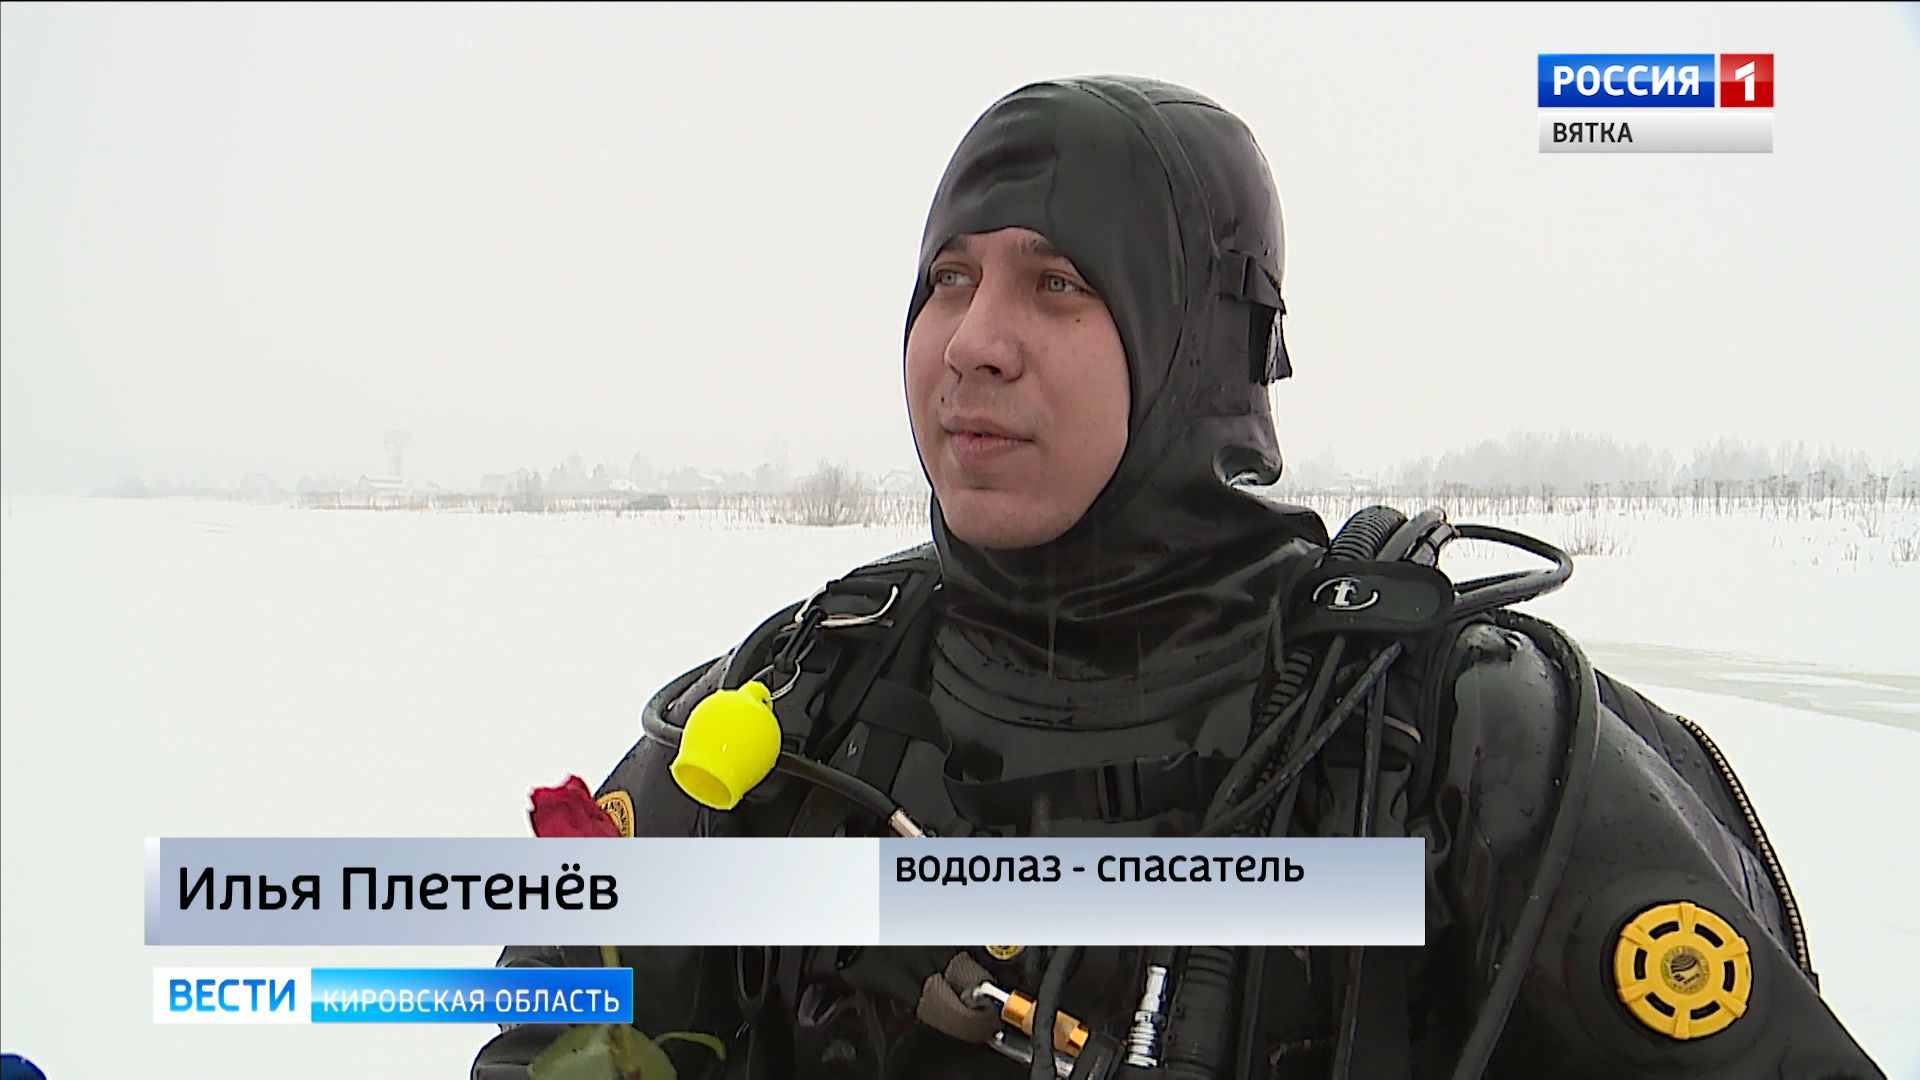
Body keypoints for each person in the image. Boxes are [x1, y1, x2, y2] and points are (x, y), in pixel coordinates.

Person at [472, 75, 1883, 1079]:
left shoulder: (1451, 734)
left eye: (1058, 284)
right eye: (949, 279)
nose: (972, 341)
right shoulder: (809, 691)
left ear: (1200, 342)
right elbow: (553, 1011)